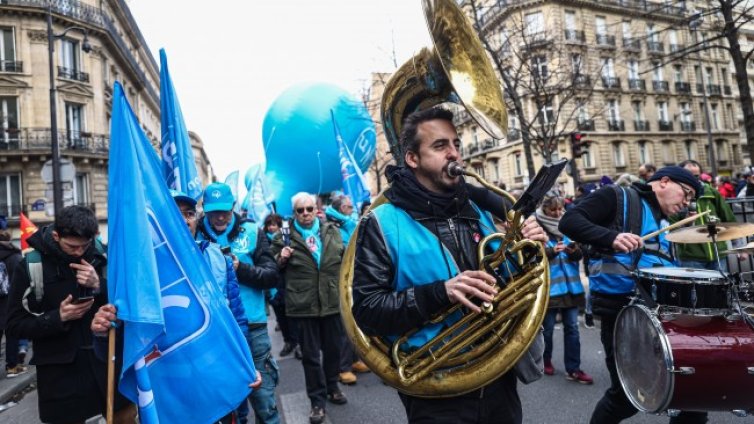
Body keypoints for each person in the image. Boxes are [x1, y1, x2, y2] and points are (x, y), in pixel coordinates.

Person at [350, 107, 547, 424]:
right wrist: (441, 292)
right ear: (412, 158)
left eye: (456, 143)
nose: (455, 153)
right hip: (436, 385)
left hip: (497, 374)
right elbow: (368, 310)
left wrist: (527, 249)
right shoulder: (381, 222)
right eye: (440, 146)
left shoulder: (475, 210)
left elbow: (505, 279)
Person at [91, 190, 261, 424]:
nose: (183, 220)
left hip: (214, 377)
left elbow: (236, 319)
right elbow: (120, 344)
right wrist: (103, 332)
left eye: (189, 213)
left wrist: (245, 363)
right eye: (173, 214)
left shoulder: (217, 258)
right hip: (168, 388)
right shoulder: (136, 274)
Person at [559, 166, 707, 424]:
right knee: (625, 398)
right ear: (664, 182)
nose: (687, 202)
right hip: (622, 311)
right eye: (685, 193)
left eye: (691, 198)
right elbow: (569, 221)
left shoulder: (662, 221)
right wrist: (611, 237)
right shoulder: (616, 197)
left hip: (662, 312)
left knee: (690, 392)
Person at [5, 205, 134, 423]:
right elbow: (14, 325)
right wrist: (58, 317)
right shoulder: (31, 265)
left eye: (85, 245)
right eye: (72, 246)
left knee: (126, 418)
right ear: (56, 236)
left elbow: (128, 303)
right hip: (60, 377)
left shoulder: (102, 257)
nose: (80, 252)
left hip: (107, 366)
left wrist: (99, 286)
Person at [196, 182, 280, 424]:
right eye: (213, 211)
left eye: (225, 210)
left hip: (253, 326)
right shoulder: (194, 234)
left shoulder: (252, 231)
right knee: (228, 403)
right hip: (213, 330)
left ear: (233, 207)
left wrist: (239, 268)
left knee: (264, 400)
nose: (220, 216)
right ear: (205, 210)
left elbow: (272, 275)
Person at [271, 192, 347, 424]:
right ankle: (316, 401)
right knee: (311, 357)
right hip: (302, 304)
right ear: (294, 213)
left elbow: (345, 259)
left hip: (332, 300)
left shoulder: (331, 231)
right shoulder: (283, 237)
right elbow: (272, 266)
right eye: (300, 210)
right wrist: (280, 258)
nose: (305, 214)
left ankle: (332, 386)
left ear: (316, 210)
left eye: (309, 209)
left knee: (334, 349)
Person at [535, 194, 593, 384]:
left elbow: (579, 256)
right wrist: (552, 252)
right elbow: (532, 257)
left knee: (572, 329)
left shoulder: (568, 225)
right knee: (548, 330)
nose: (558, 213)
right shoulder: (536, 227)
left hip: (571, 287)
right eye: (553, 210)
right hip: (550, 289)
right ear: (544, 210)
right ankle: (545, 360)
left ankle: (573, 368)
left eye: (560, 209)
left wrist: (574, 251)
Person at [324, 194, 370, 384]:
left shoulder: (348, 223)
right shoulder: (333, 226)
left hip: (354, 277)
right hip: (339, 280)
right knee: (344, 327)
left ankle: (353, 360)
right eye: (350, 207)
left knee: (355, 322)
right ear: (341, 209)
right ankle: (343, 368)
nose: (352, 210)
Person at [676, 160, 741, 271]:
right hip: (691, 257)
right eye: (689, 175)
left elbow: (728, 217)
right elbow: (671, 227)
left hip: (718, 253)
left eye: (696, 175)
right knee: (695, 288)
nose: (693, 178)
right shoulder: (676, 195)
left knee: (720, 288)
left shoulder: (711, 191)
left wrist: (738, 246)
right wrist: (685, 223)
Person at [265, 213, 302, 360]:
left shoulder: (288, 239)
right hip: (274, 285)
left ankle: (298, 343)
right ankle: (289, 342)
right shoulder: (264, 240)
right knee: (280, 315)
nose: (271, 227)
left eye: (274, 224)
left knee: (292, 316)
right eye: (269, 224)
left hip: (288, 284)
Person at [0, 217, 26, 378]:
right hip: (9, 303)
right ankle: (12, 366)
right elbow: (21, 281)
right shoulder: (14, 256)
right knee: (12, 334)